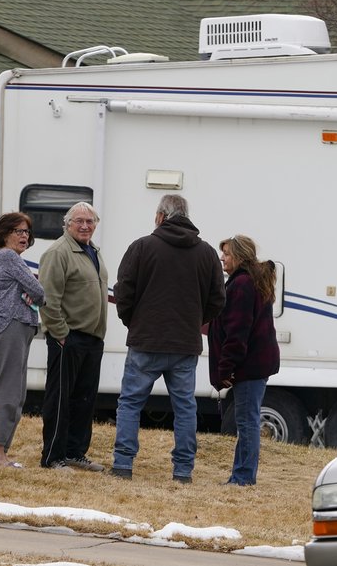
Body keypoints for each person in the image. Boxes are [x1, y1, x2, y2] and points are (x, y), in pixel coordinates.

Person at [111, 194, 225, 483]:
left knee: (130, 403)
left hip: (145, 340)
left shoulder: (141, 247)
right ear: (186, 216)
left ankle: (123, 465)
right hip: (185, 343)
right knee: (185, 406)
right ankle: (183, 470)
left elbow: (123, 292)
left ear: (161, 216)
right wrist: (195, 321)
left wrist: (133, 321)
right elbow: (217, 300)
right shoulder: (207, 253)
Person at [38, 202, 109, 471]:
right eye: (78, 221)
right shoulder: (58, 252)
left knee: (84, 400)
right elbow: (48, 299)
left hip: (92, 339)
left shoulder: (92, 251)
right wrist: (60, 334)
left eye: (90, 221)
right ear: (67, 224)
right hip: (68, 339)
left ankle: (75, 452)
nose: (85, 226)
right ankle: (53, 457)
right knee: (59, 399)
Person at [208, 235, 280, 486]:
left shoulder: (241, 285)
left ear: (238, 256)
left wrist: (225, 367)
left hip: (249, 365)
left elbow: (237, 331)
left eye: (226, 253)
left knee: (247, 422)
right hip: (257, 363)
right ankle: (242, 473)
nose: (222, 258)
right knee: (247, 420)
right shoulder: (253, 281)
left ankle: (243, 477)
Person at [0, 212, 45, 468]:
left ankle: (2, 452)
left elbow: (33, 290)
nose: (24, 236)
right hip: (8, 328)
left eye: (27, 232)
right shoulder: (8, 257)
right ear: (5, 234)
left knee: (16, 392)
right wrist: (32, 291)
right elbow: (39, 292)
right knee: (9, 392)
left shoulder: (9, 259)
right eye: (18, 231)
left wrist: (30, 291)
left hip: (12, 328)